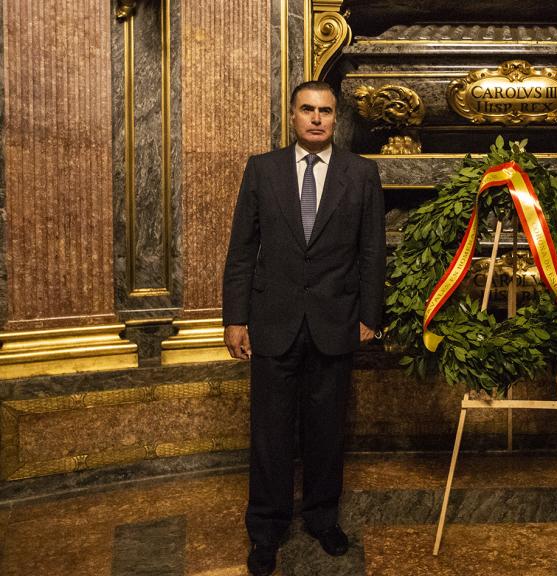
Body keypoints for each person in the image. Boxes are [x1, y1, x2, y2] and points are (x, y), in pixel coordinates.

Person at [222, 80, 385, 576]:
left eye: (326, 111)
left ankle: (322, 518)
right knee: (270, 435)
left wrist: (370, 317)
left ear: (337, 119)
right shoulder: (262, 169)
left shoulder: (361, 174)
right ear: (291, 115)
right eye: (307, 110)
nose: (317, 119)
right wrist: (235, 318)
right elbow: (243, 251)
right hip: (272, 325)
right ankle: (266, 531)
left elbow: (372, 252)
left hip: (335, 324)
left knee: (325, 431)